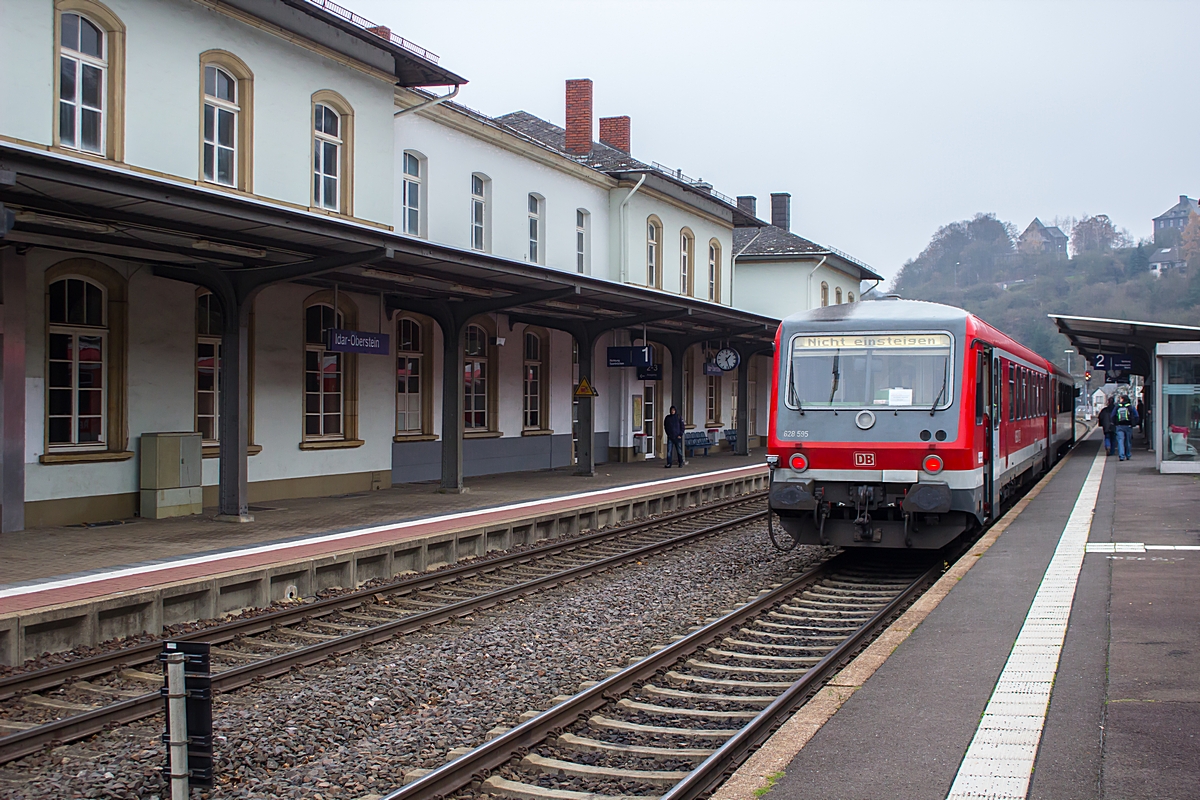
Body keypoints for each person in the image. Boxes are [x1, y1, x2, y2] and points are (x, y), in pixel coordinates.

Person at [1113, 394, 1139, 461]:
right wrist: (1133, 424)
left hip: (1119, 426)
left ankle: (1121, 456)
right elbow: (1136, 416)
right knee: (1128, 441)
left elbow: (1112, 415)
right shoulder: (1131, 407)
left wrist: (1115, 423)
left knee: (1120, 441)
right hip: (1128, 426)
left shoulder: (1117, 407)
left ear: (1122, 399)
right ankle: (1128, 455)